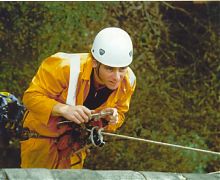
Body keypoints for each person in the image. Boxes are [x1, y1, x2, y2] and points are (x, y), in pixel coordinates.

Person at [21, 27, 136, 169]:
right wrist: (63, 109)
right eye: (109, 69)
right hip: (41, 139)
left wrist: (112, 119)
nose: (117, 77)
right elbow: (30, 97)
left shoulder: (128, 82)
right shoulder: (64, 67)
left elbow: (121, 114)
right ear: (95, 62)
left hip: (74, 146)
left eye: (122, 69)